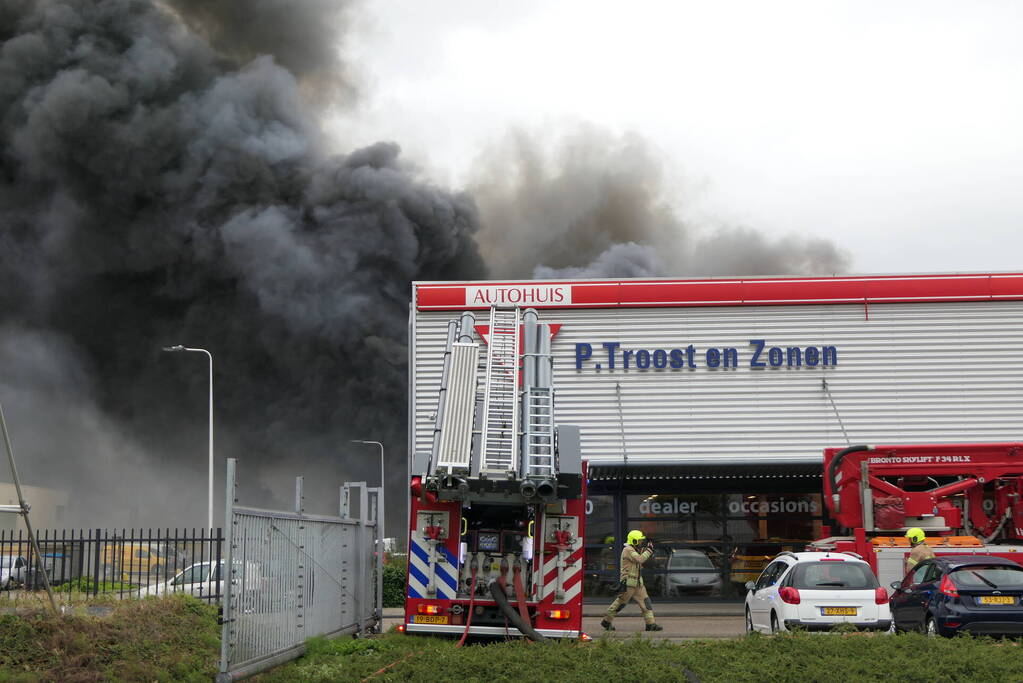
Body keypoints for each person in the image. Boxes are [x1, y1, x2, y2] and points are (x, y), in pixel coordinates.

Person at [601, 529, 663, 631]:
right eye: (639, 540)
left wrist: (644, 552)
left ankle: (650, 624)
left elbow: (640, 563)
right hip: (629, 583)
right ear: (633, 541)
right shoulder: (628, 550)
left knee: (646, 603)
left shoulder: (634, 550)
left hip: (638, 583)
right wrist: (648, 551)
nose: (641, 542)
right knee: (620, 603)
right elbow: (639, 559)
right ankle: (606, 621)